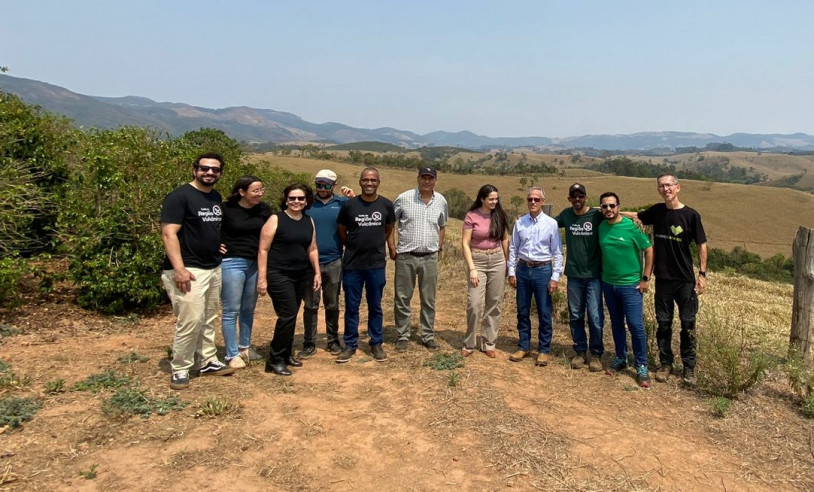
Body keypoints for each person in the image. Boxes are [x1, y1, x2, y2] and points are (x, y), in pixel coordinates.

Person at [160, 153, 236, 390]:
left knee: (208, 317)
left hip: (212, 266)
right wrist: (179, 268)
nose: (210, 173)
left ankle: (208, 360)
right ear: (194, 170)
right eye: (205, 169)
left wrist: (217, 244)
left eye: (215, 170)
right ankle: (181, 367)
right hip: (189, 269)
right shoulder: (179, 196)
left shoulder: (214, 196)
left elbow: (208, 227)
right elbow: (168, 233)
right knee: (190, 319)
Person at [636, 174, 707, 386]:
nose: (665, 189)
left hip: (685, 280)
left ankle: (689, 368)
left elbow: (702, 245)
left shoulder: (691, 215)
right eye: (661, 186)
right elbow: (637, 215)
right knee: (664, 324)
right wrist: (609, 211)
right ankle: (665, 364)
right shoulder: (657, 211)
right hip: (663, 280)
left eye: (669, 185)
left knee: (688, 324)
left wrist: (702, 275)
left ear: (678, 187)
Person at [257, 184, 321, 376]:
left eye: (300, 198)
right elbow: (263, 249)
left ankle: (286, 355)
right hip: (278, 274)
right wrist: (262, 278)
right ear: (286, 199)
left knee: (292, 315)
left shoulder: (308, 220)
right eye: (292, 198)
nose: (296, 202)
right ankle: (274, 360)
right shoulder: (276, 219)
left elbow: (312, 248)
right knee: (287, 315)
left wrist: (317, 272)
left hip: (301, 274)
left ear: (306, 201)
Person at [335, 167, 395, 364]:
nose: (369, 183)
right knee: (351, 307)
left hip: (376, 265)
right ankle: (350, 344)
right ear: (360, 182)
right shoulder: (350, 205)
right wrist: (353, 245)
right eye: (365, 180)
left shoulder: (386, 205)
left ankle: (376, 343)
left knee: (375, 306)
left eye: (373, 180)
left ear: (378, 182)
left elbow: (388, 230)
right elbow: (342, 231)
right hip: (353, 264)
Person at [598, 192, 654, 388]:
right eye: (604, 206)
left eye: (612, 205)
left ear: (619, 206)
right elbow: (591, 211)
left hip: (631, 285)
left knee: (635, 325)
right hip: (608, 283)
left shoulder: (631, 227)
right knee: (616, 323)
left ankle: (641, 365)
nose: (608, 209)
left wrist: (645, 278)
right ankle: (621, 357)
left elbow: (649, 250)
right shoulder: (601, 226)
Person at [298, 169, 354, 359]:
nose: (322, 188)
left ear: (334, 185)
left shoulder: (342, 203)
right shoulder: (306, 204)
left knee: (332, 304)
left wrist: (353, 198)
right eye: (319, 184)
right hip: (310, 264)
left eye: (326, 185)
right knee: (311, 305)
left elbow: (357, 216)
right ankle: (309, 342)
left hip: (334, 261)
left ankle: (332, 340)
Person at [392, 167, 448, 352]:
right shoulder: (404, 198)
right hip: (406, 256)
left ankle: (427, 336)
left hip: (429, 257)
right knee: (402, 298)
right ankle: (403, 335)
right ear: (417, 179)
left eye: (430, 178)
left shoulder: (441, 201)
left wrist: (439, 247)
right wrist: (392, 247)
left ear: (435, 181)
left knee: (429, 299)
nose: (427, 181)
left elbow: (442, 226)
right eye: (423, 178)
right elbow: (390, 223)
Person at [507, 187, 563, 366]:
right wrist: (511, 271)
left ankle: (544, 350)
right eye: (530, 199)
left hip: (543, 270)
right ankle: (524, 346)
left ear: (543, 202)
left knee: (544, 311)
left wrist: (555, 277)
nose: (533, 202)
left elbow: (558, 252)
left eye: (536, 199)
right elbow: (514, 248)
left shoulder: (551, 224)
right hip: (523, 269)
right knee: (522, 310)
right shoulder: (520, 222)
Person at [220, 176, 272, 369]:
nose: (260, 194)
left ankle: (245, 347)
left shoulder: (264, 210)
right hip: (232, 262)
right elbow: (209, 228)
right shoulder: (226, 209)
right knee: (231, 309)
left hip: (254, 264)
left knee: (248, 308)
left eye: (261, 190)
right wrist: (216, 244)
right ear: (242, 192)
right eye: (255, 190)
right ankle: (231, 354)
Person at [554, 183, 605, 372]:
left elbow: (614, 215)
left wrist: (636, 216)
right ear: (569, 198)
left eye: (580, 196)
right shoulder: (566, 215)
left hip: (594, 276)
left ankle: (597, 354)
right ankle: (580, 351)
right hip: (574, 275)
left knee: (595, 315)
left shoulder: (597, 215)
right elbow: (548, 223)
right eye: (573, 196)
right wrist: (525, 218)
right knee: (575, 315)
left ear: (586, 197)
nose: (577, 199)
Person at [461, 184, 509, 358]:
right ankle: (469, 342)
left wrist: (508, 263)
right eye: (491, 199)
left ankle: (489, 342)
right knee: (474, 303)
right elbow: (465, 243)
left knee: (494, 302)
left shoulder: (500, 215)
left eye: (496, 199)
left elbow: (505, 240)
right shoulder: (471, 216)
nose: (494, 202)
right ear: (482, 199)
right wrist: (472, 268)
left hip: (497, 260)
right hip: (478, 261)